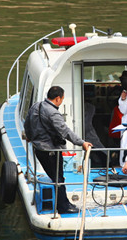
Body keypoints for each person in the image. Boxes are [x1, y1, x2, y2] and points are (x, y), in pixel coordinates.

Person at [24, 86, 92, 214]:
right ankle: (63, 207)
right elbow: (65, 131)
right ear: (57, 98)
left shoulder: (35, 106)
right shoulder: (53, 112)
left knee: (56, 177)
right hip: (51, 152)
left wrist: (30, 137)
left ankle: (64, 202)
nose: (61, 102)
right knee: (58, 178)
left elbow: (27, 124)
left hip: (39, 150)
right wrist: (81, 143)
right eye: (62, 99)